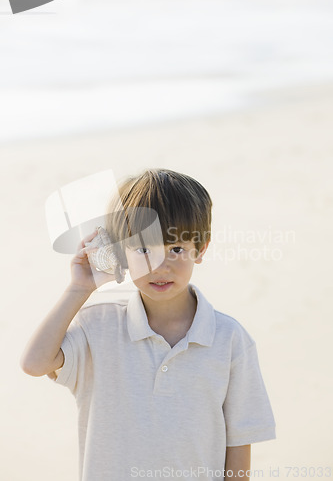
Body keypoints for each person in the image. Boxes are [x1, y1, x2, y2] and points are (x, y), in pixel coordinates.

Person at [20, 168, 276, 481]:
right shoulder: (97, 327)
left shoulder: (229, 339)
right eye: (143, 249)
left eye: (176, 249)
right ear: (120, 252)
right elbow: (35, 363)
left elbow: (238, 443)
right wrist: (80, 288)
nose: (160, 266)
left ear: (202, 249)